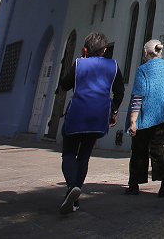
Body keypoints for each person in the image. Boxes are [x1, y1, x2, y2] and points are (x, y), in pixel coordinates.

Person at [58, 32, 123, 214]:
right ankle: (75, 198)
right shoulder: (113, 66)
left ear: (86, 49)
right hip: (98, 116)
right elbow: (119, 92)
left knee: (69, 154)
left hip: (77, 114)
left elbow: (64, 84)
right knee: (84, 156)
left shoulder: (79, 64)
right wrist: (114, 111)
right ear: (104, 49)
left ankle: (71, 187)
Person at [126, 39, 164, 197]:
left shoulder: (143, 70)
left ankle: (134, 184)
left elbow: (138, 97)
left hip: (145, 118)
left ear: (145, 53)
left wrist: (132, 121)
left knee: (139, 150)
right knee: (162, 148)